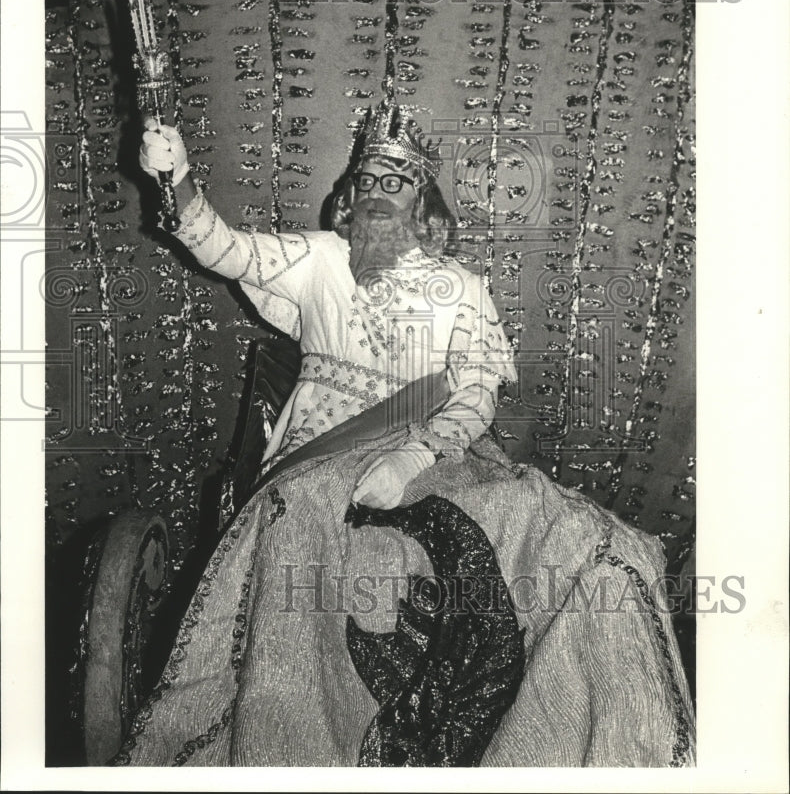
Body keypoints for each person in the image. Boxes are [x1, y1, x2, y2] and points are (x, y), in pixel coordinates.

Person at [115, 101, 695, 767]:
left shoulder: (461, 286)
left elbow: (478, 390)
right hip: (319, 454)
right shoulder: (318, 258)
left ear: (426, 200)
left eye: (396, 184)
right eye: (366, 183)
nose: (377, 196)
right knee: (310, 535)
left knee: (574, 536)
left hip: (437, 455)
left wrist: (416, 455)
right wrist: (179, 174)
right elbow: (224, 248)